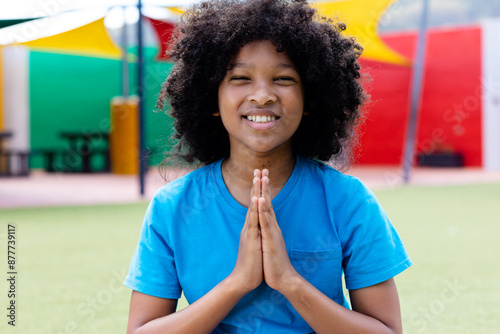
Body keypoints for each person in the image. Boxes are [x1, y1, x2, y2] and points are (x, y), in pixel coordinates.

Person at [124, 0, 412, 333]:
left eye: (284, 79)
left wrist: (288, 280)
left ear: (310, 99)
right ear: (211, 99)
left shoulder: (348, 201)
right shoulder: (173, 207)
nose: (262, 95)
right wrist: (238, 282)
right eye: (240, 78)